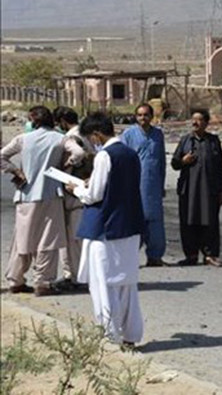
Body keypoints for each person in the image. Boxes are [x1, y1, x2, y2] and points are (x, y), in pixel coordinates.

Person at [67, 112, 145, 348]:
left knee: (103, 285)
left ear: (97, 135)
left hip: (106, 229)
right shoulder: (131, 154)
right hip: (129, 227)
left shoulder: (104, 156)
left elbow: (94, 195)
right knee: (126, 284)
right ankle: (131, 335)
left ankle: (109, 337)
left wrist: (76, 189)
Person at [1, 106, 66, 296]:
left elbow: (2, 156)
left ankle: (16, 280)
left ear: (33, 121)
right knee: (48, 240)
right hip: (51, 194)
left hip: (26, 195)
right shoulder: (60, 139)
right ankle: (43, 283)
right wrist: (65, 168)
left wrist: (15, 171)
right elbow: (78, 153)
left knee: (22, 239)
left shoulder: (23, 139)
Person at [171, 109, 222, 267]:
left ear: (206, 123)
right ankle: (191, 255)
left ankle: (210, 255)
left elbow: (221, 167)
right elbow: (174, 164)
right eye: (193, 119)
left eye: (199, 120)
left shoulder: (213, 141)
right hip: (188, 190)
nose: (195, 123)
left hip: (209, 190)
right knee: (188, 221)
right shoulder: (185, 140)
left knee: (210, 222)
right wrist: (183, 160)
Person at [120, 103, 167, 267]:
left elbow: (161, 161)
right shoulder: (128, 134)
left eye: (146, 115)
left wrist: (161, 185)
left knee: (155, 222)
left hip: (153, 185)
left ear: (152, 116)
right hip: (135, 185)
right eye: (139, 115)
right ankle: (131, 258)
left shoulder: (158, 135)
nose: (143, 118)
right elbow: (123, 159)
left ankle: (155, 256)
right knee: (136, 220)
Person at [54, 106, 92, 291]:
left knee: (74, 239)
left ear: (62, 121)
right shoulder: (85, 134)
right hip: (84, 192)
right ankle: (76, 275)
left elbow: (79, 155)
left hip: (73, 193)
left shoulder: (71, 137)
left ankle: (76, 277)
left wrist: (66, 166)